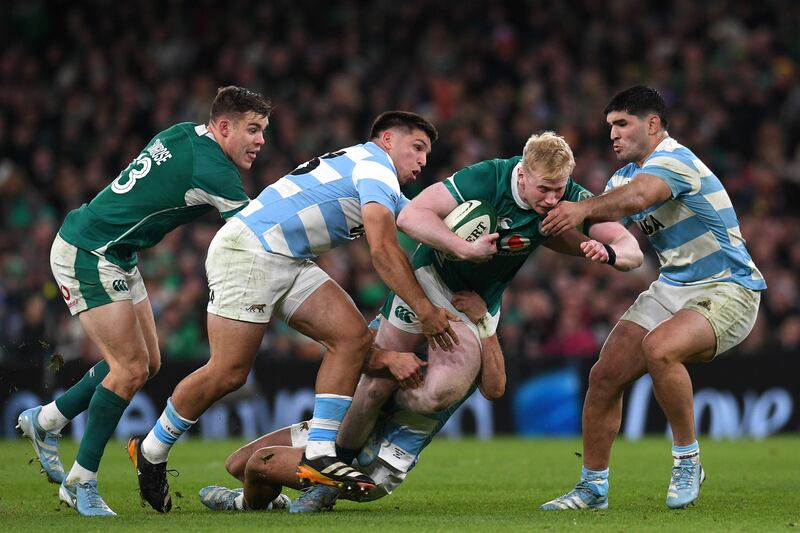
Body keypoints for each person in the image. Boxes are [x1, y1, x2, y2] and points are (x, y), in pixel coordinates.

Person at [128, 111, 466, 513]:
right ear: (388, 140)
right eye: (417, 147)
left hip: (287, 257)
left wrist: (476, 243)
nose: (423, 160)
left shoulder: (376, 177)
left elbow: (423, 223)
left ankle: (320, 451)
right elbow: (382, 249)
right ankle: (151, 450)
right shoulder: (376, 167)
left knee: (353, 339)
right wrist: (425, 310)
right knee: (228, 372)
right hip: (251, 250)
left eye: (427, 153)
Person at [16, 86, 272, 516]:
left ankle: (46, 421)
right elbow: (253, 236)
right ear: (224, 127)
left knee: (147, 363)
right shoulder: (215, 170)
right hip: (90, 252)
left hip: (116, 252)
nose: (261, 140)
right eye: (253, 129)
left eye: (263, 130)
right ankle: (81, 482)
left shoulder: (183, 132)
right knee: (129, 368)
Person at [334, 131, 643, 457]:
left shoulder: (570, 199)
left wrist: (609, 253)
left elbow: (632, 251)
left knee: (438, 395)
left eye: (559, 189)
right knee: (373, 387)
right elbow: (410, 216)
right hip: (429, 279)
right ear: (522, 175)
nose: (553, 199)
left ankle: (388, 411)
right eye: (544, 189)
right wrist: (463, 248)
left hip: (477, 302)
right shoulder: (488, 177)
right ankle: (333, 466)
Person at [539, 86, 766, 510]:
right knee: (604, 376)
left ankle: (687, 460)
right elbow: (609, 234)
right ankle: (593, 487)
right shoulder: (620, 180)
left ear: (653, 124)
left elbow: (639, 198)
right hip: (672, 287)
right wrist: (541, 225)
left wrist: (582, 210)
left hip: (728, 286)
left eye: (622, 124)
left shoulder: (675, 160)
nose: (613, 134)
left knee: (659, 348)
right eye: (610, 126)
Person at [197, 290, 504, 513]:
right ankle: (279, 498)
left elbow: (495, 388)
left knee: (259, 464)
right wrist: (388, 359)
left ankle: (246, 504)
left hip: (379, 459)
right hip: (342, 429)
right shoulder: (405, 307)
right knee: (237, 464)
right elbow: (352, 355)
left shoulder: (473, 320)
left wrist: (485, 322)